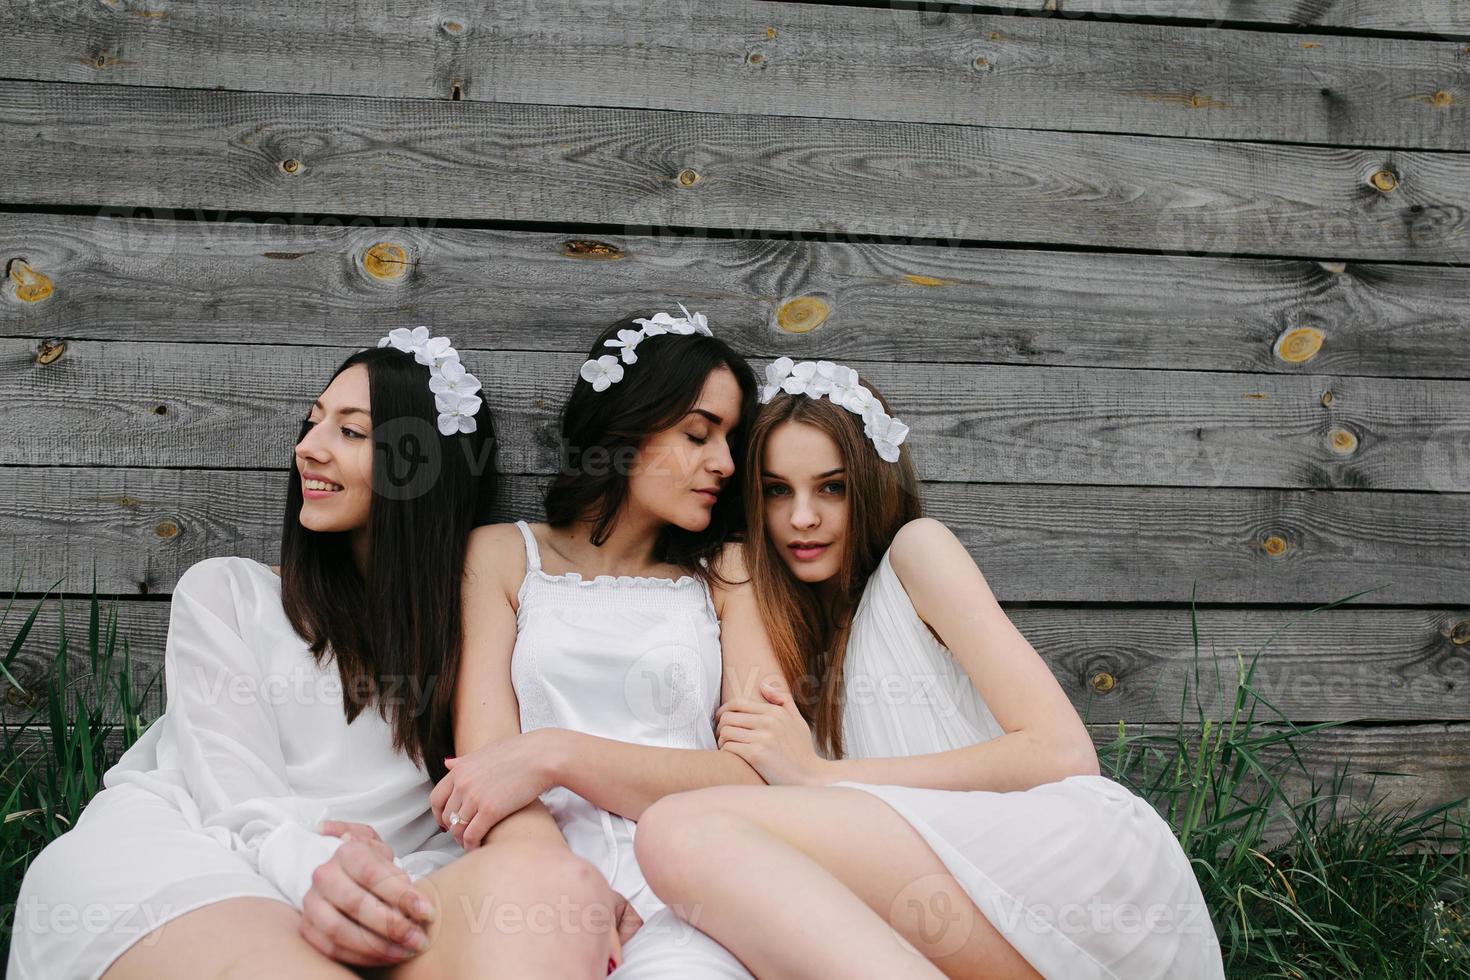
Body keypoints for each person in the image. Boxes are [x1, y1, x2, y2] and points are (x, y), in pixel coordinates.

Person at [8, 331, 636, 979]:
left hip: (390, 876)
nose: (308, 448)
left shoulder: (477, 628)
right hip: (195, 856)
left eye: (353, 432)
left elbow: (504, 788)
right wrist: (319, 866)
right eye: (313, 424)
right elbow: (234, 797)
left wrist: (581, 883)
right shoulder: (229, 593)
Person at [633, 358, 1227, 979]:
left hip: (1059, 859)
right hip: (937, 884)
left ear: (871, 485)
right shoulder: (798, 627)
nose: (801, 518)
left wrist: (821, 776)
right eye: (777, 490)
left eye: (831, 487)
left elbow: (1061, 753)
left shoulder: (918, 552)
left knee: (681, 829)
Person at [425, 307, 781, 977]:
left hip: (696, 887)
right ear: (624, 431)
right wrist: (567, 889)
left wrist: (557, 754)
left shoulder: (728, 576)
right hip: (537, 871)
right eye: (699, 434)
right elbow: (487, 767)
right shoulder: (502, 557)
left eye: (731, 440)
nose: (725, 464)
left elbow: (751, 776)